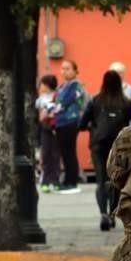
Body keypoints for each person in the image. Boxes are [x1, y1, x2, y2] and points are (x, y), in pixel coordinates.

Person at [79, 69, 131, 231]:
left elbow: (81, 124)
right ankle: (113, 213)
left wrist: (93, 127)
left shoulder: (95, 101)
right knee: (115, 180)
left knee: (100, 180)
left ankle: (103, 214)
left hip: (98, 145)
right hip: (119, 146)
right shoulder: (126, 102)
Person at [53, 59, 87, 194]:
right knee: (64, 152)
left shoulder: (76, 85)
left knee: (69, 152)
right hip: (60, 122)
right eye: (63, 68)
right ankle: (67, 179)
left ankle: (72, 180)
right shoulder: (62, 86)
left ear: (75, 71)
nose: (64, 71)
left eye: (68, 68)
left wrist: (52, 105)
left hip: (70, 122)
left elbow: (62, 101)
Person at [35, 74, 60, 193]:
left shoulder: (58, 96)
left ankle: (55, 181)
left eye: (43, 84)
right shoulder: (40, 98)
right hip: (44, 128)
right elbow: (38, 113)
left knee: (55, 154)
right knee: (45, 154)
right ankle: (45, 181)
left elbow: (59, 109)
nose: (41, 86)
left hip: (55, 127)